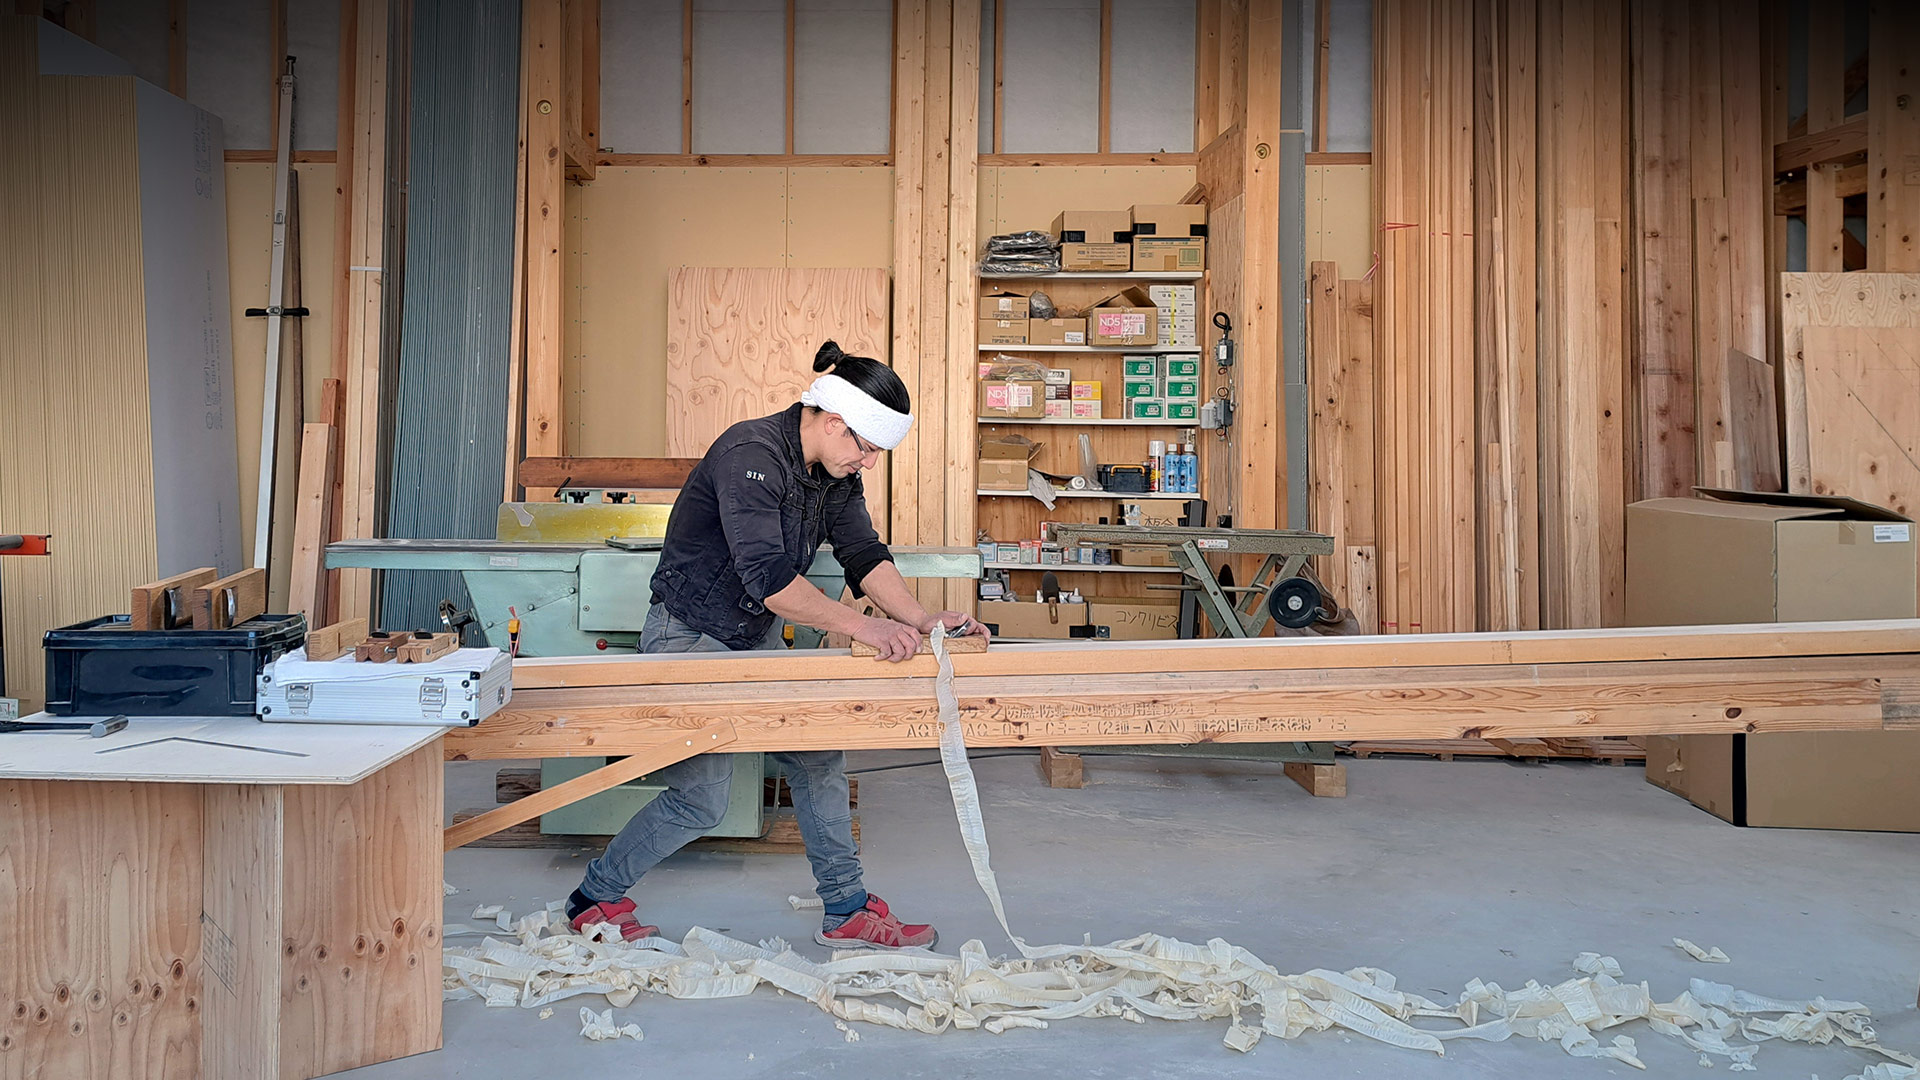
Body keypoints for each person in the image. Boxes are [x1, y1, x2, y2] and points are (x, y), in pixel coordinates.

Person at [563, 341, 989, 951]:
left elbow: (863, 554)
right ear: (835, 422)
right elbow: (769, 580)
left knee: (818, 757)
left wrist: (920, 620)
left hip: (750, 639)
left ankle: (845, 910)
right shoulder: (751, 454)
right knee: (702, 800)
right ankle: (594, 897)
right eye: (866, 448)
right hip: (689, 636)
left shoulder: (833, 475)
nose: (869, 463)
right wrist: (867, 628)